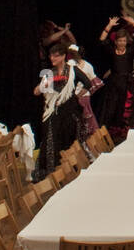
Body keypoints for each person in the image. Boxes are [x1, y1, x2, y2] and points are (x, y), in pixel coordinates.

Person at [35, 43, 92, 176]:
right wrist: (45, 85)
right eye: (51, 56)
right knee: (53, 139)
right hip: (54, 111)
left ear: (63, 56)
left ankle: (71, 170)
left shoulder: (73, 71)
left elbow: (88, 83)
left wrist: (77, 95)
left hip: (70, 111)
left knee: (69, 139)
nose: (52, 58)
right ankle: (54, 172)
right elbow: (36, 92)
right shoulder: (49, 73)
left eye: (56, 56)